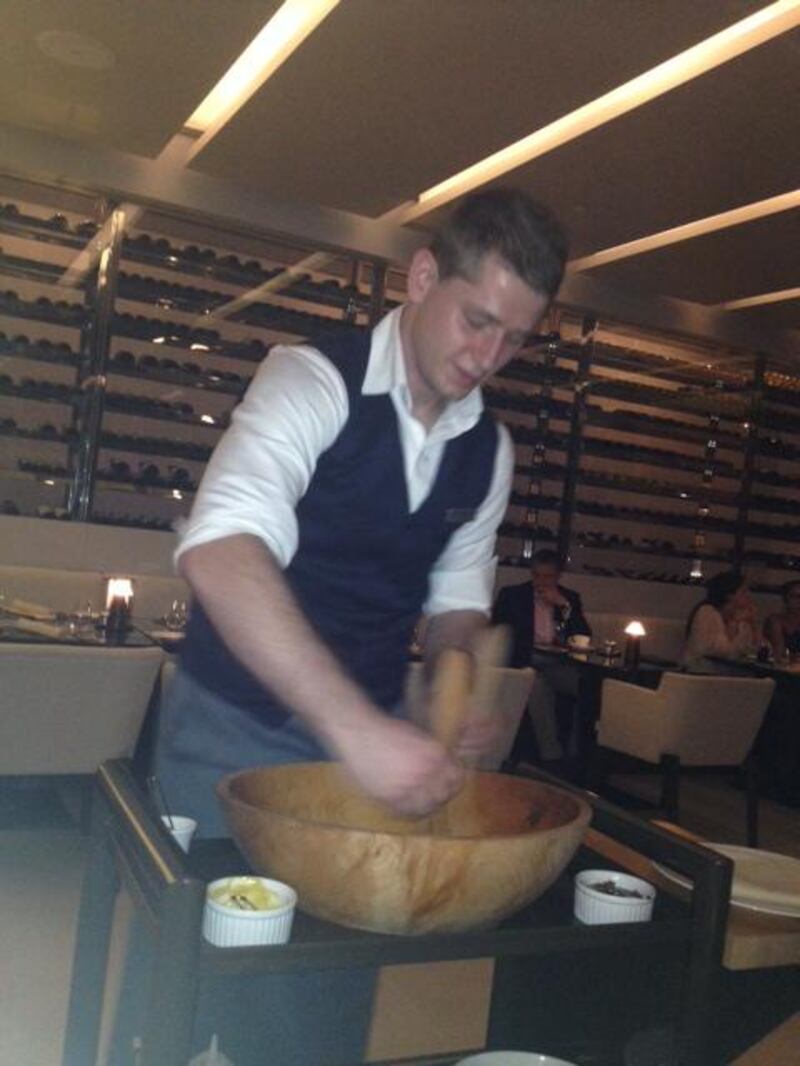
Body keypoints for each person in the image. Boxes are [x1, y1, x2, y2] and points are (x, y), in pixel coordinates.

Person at [154, 189, 567, 840]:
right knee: (212, 932)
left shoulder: (490, 450)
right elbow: (222, 551)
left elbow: (456, 606)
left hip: (374, 746)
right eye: (477, 321)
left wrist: (448, 685)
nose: (488, 359)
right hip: (233, 730)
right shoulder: (310, 380)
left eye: (513, 340)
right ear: (425, 277)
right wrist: (360, 731)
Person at [492, 548, 591, 761]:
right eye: (536, 575)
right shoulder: (512, 595)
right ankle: (552, 754)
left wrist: (564, 606)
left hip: (558, 662)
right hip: (524, 660)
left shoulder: (569, 598)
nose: (541, 581)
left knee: (587, 686)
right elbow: (497, 631)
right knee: (535, 685)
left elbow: (584, 636)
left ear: (557, 576)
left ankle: (578, 752)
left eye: (547, 576)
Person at [681, 570, 760, 673]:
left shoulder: (742, 620)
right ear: (729, 595)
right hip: (701, 672)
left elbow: (754, 651)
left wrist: (753, 624)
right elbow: (720, 652)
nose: (749, 595)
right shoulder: (706, 613)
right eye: (744, 592)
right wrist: (734, 624)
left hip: (730, 675)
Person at [764, 579, 800, 661]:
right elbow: (779, 653)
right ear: (785, 599)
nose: (799, 601)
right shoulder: (775, 620)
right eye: (794, 596)